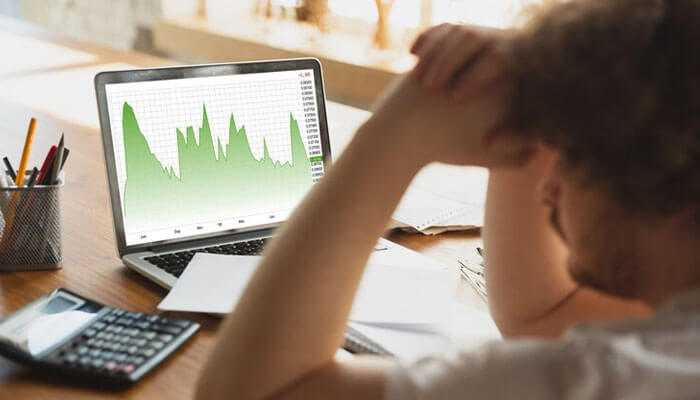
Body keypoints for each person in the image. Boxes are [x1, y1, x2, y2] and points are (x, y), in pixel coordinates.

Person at [195, 0, 700, 398]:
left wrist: (393, 137)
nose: (549, 184)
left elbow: (260, 391)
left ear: (676, 195)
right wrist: (547, 73)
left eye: (572, 154)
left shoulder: (617, 379)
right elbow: (541, 315)